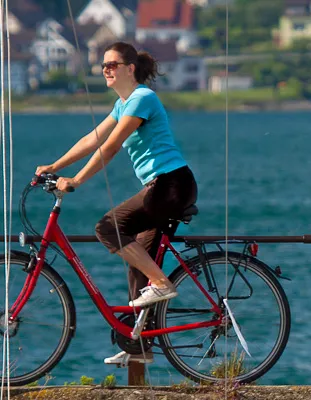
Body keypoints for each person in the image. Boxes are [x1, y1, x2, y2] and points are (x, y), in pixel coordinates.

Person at [35, 42, 198, 363]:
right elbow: (92, 138)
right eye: (103, 65)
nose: (106, 69)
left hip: (170, 184)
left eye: (112, 64)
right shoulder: (124, 103)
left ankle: (163, 283)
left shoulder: (142, 98)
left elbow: (110, 147)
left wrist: (76, 181)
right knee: (139, 262)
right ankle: (138, 346)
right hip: (165, 187)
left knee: (109, 227)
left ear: (130, 68)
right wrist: (54, 166)